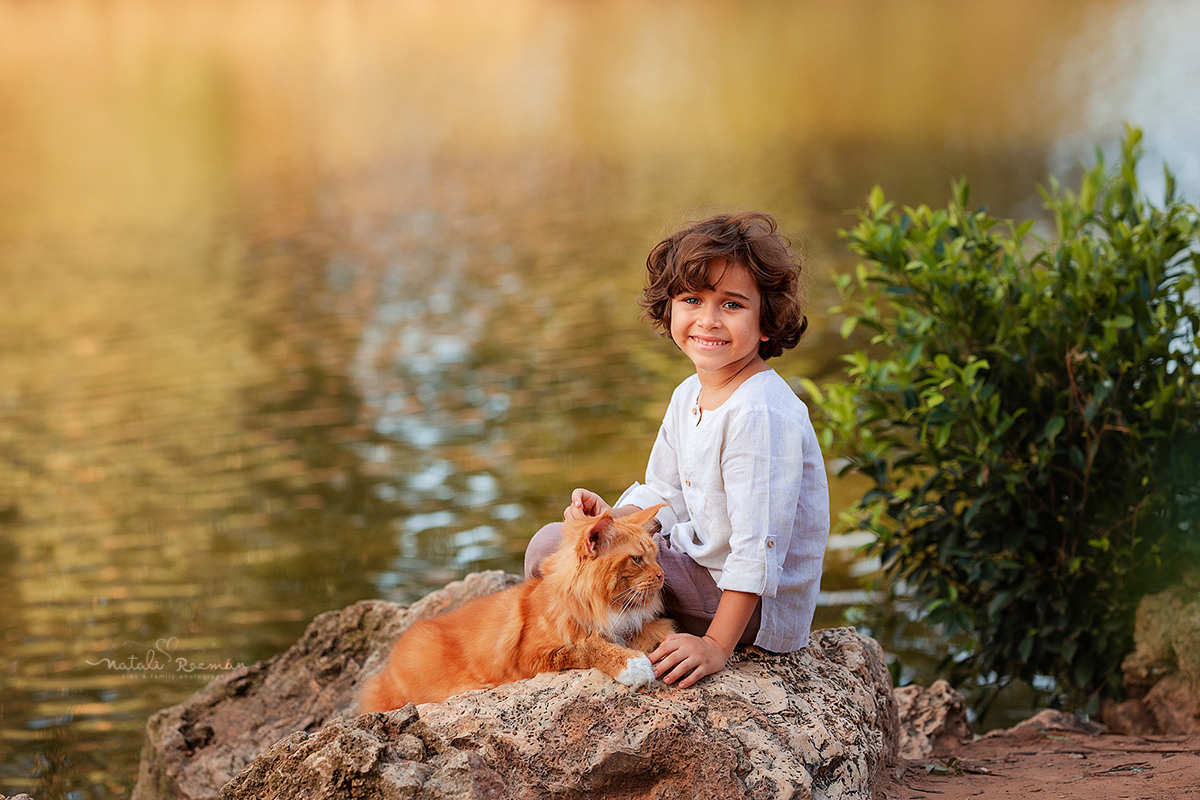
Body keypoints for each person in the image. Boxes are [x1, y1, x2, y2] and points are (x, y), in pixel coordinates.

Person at [524, 210, 829, 689]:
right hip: (697, 565)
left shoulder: (759, 413)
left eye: (732, 305)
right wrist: (611, 523)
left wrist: (715, 647)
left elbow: (756, 551)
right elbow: (663, 495)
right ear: (669, 310)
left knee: (556, 566)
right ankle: (598, 638)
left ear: (766, 322)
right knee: (553, 547)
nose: (708, 320)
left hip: (746, 606)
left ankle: (593, 640)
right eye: (692, 299)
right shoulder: (689, 393)